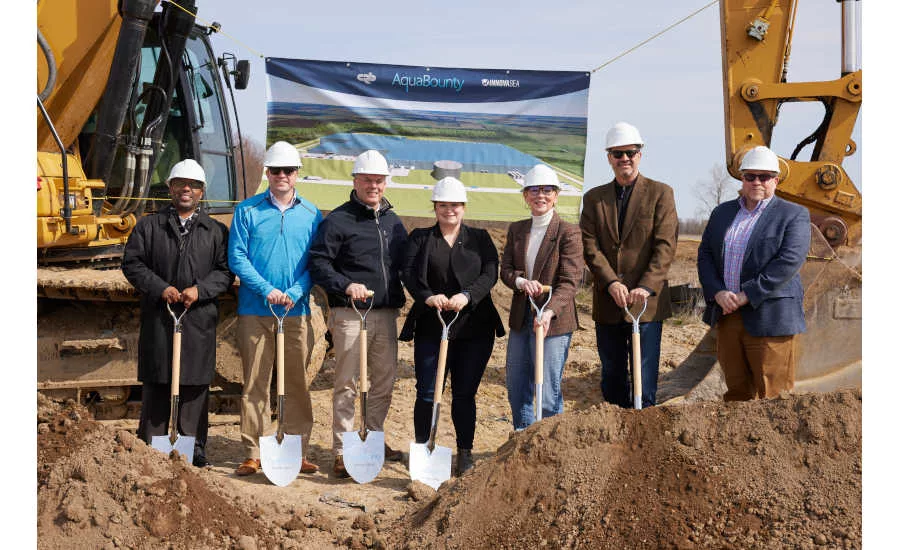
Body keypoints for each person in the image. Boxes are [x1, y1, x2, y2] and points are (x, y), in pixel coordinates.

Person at [122, 159, 234, 468]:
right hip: (160, 316)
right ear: (170, 188)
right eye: (180, 183)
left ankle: (193, 449)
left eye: (194, 185)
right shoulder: (149, 226)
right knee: (158, 381)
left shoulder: (215, 231)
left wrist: (200, 289)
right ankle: (150, 447)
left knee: (195, 384)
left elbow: (224, 272)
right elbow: (132, 263)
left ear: (201, 192)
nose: (187, 189)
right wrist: (160, 287)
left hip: (198, 318)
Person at [308, 149, 408, 478]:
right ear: (355, 181)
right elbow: (319, 263)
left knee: (383, 381)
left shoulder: (394, 223)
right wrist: (345, 284)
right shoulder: (338, 219)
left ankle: (372, 438)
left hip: (385, 314)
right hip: (350, 313)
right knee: (348, 383)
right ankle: (342, 449)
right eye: (367, 179)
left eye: (379, 180)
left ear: (386, 182)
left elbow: (405, 265)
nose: (373, 185)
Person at [228, 141, 322, 476]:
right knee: (255, 383)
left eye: (288, 170)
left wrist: (296, 291)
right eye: (276, 170)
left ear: (297, 174)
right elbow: (237, 257)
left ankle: (296, 451)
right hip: (255, 310)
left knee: (296, 382)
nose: (282, 175)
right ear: (267, 173)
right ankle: (253, 451)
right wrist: (267, 290)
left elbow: (316, 261)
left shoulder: (312, 214)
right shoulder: (248, 211)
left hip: (296, 312)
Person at [400, 176, 505, 477]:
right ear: (435, 207)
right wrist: (427, 296)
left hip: (474, 327)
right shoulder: (420, 238)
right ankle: (423, 447)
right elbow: (408, 273)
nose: (450, 210)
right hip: (432, 326)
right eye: (443, 204)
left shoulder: (480, 238)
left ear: (464, 207)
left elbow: (490, 272)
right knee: (427, 392)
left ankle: (465, 452)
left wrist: (467, 295)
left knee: (464, 394)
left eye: (455, 205)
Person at [697, 145, 810, 400]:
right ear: (742, 179)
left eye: (764, 176)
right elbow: (705, 255)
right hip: (728, 315)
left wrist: (748, 294)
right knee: (737, 391)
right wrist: (718, 292)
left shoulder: (793, 215)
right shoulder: (722, 213)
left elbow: (789, 261)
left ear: (776, 180)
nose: (757, 182)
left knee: (774, 394)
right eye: (750, 176)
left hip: (770, 317)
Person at [580, 122, 678, 408]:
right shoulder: (594, 199)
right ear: (609, 157)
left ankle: (641, 438)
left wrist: (646, 287)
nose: (625, 158)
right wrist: (611, 282)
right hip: (609, 300)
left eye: (630, 152)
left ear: (640, 154)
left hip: (645, 304)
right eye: (618, 153)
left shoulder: (661, 193)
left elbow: (665, 245)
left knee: (644, 379)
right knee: (611, 376)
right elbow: (590, 246)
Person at [500, 164, 583, 429]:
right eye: (534, 190)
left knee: (547, 391)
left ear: (556, 195)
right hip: (522, 317)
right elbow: (506, 270)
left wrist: (548, 311)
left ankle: (550, 447)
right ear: (525, 196)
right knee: (517, 387)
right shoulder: (517, 229)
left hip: (553, 321)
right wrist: (521, 281)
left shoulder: (568, 233)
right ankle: (523, 442)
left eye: (547, 190)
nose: (541, 195)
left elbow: (570, 281)